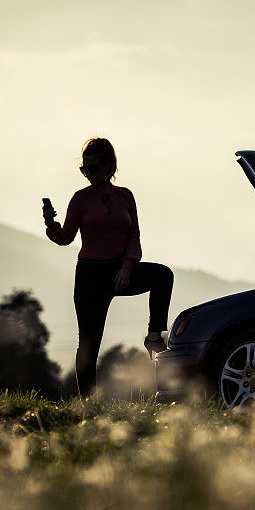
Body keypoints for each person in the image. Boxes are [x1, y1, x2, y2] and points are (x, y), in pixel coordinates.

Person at [42, 137, 174, 396]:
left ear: (110, 167)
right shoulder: (80, 199)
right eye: (84, 169)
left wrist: (127, 267)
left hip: (119, 271)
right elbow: (66, 237)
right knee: (89, 345)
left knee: (162, 275)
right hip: (90, 276)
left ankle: (154, 335)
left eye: (94, 168)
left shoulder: (125, 196)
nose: (88, 174)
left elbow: (134, 236)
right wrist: (50, 225)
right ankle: (87, 403)